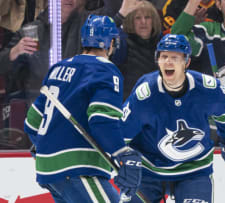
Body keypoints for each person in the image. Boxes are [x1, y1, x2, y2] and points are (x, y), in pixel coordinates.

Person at [119, 34, 225, 202]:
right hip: (149, 170)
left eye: (175, 57)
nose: (168, 61)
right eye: (164, 56)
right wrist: (124, 158)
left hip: (194, 169)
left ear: (186, 62)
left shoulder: (208, 89)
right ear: (157, 60)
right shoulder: (144, 95)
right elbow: (121, 134)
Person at [23, 15, 142, 202]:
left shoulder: (58, 68)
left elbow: (32, 122)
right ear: (111, 42)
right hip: (79, 168)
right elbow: (102, 121)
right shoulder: (106, 71)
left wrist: (47, 149)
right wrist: (122, 153)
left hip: (47, 170)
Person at [0, 0, 122, 102]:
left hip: (76, 106)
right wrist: (13, 53)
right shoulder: (31, 30)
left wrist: (122, 12)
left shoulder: (88, 24)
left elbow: (112, 10)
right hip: (39, 107)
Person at [111, 0, 162, 101]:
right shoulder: (121, 41)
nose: (143, 22)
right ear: (130, 20)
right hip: (128, 103)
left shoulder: (162, 43)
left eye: (147, 17)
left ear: (154, 20)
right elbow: (101, 35)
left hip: (156, 103)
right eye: (138, 18)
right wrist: (120, 16)